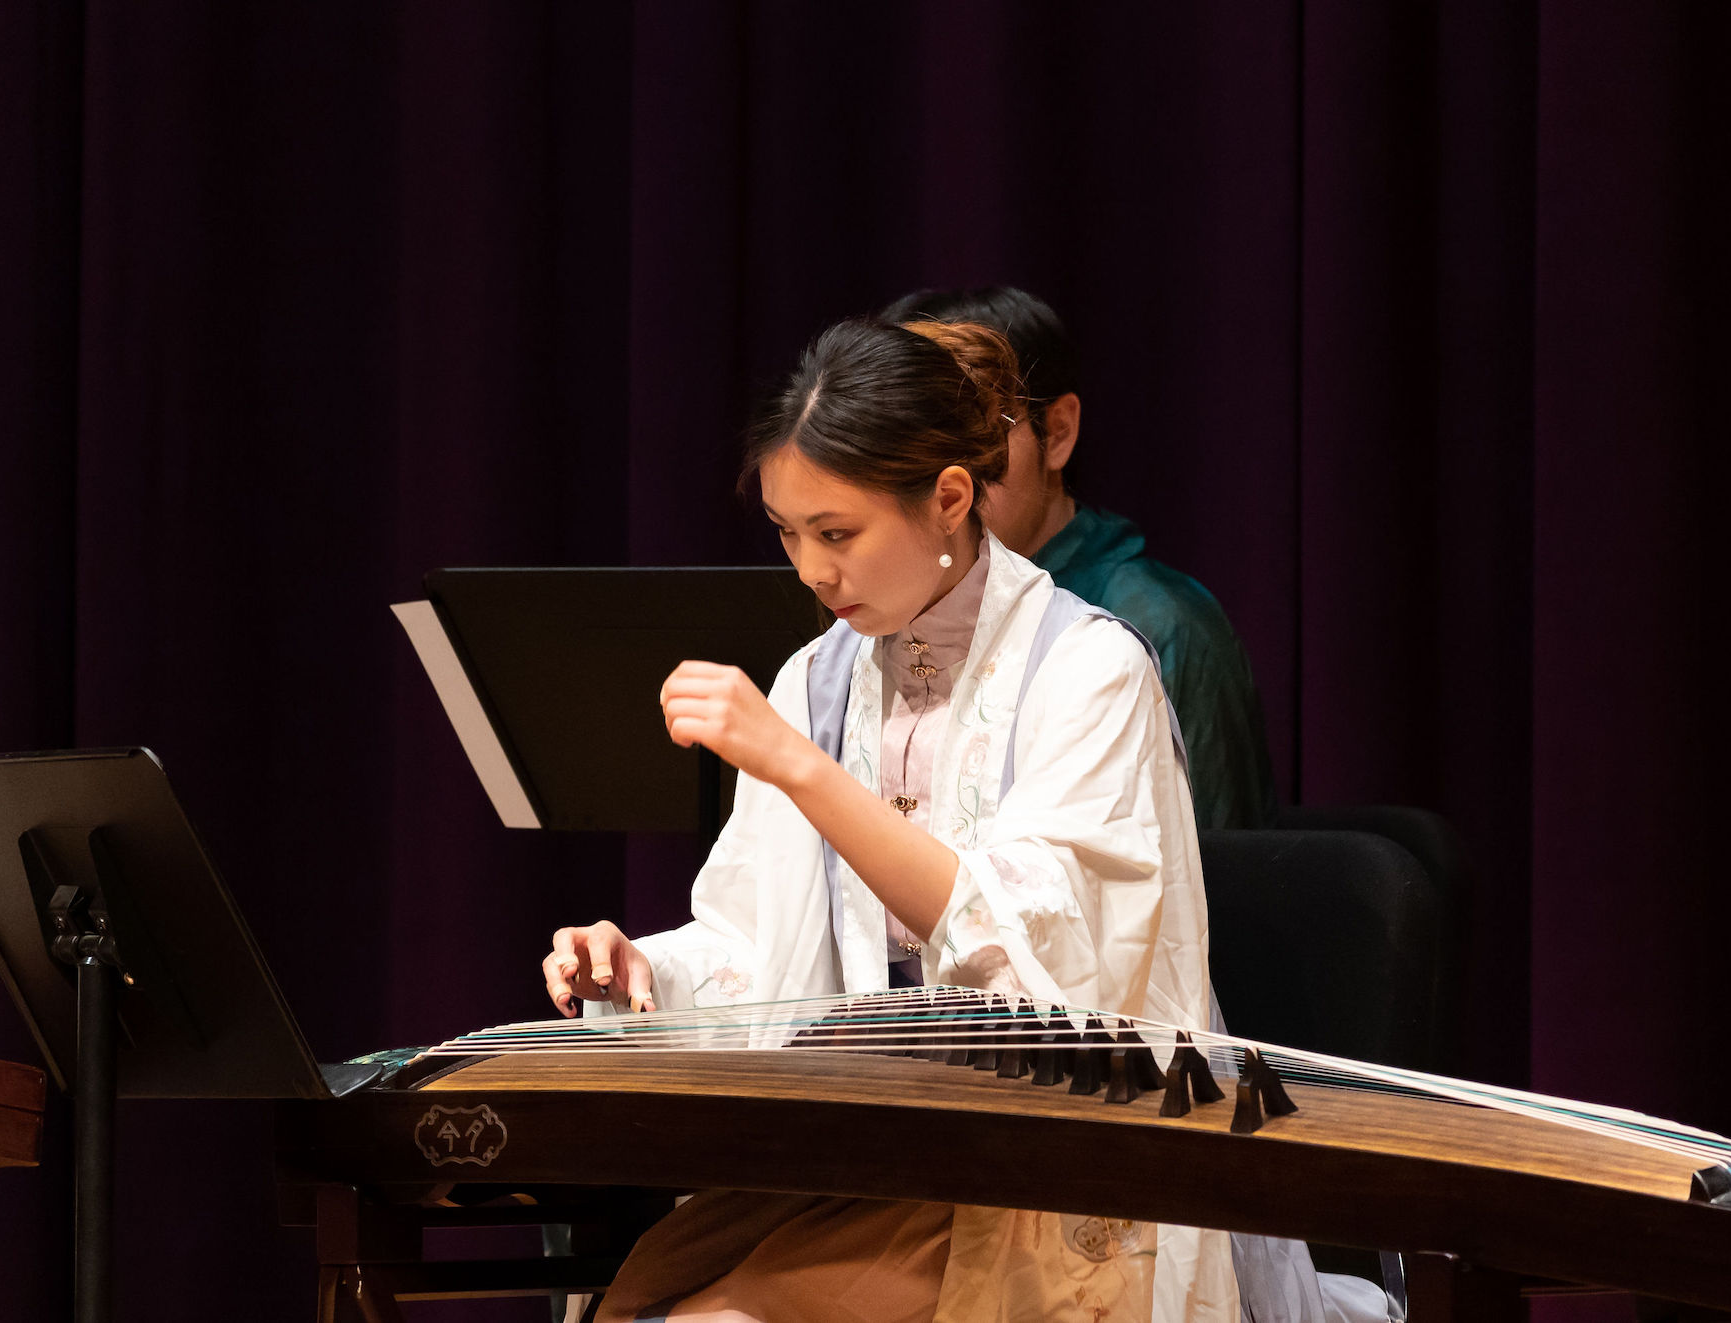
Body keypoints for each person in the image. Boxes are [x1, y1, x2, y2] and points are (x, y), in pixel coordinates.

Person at [538, 317, 1340, 1323]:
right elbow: (756, 944)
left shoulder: (1090, 670)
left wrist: (799, 766)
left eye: (837, 534)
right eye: (788, 533)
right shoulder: (815, 678)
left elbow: (1044, 961)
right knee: (639, 1307)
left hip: (1042, 1167)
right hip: (869, 1152)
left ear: (949, 499)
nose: (810, 573)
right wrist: (650, 970)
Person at [881, 286, 1276, 831]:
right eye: (908, 446)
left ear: (1058, 433)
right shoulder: (877, 616)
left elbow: (1213, 888)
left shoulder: (1160, 628)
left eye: (974, 439)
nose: (943, 481)